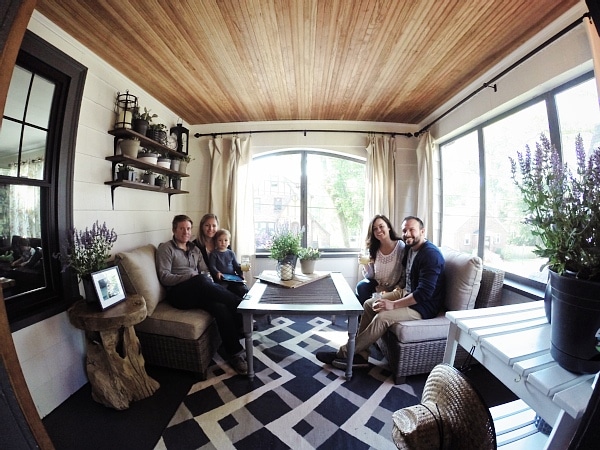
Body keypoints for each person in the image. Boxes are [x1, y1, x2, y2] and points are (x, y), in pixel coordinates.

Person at [317, 216, 445, 370]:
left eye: (412, 230)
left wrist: (393, 305)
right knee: (369, 304)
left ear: (422, 231)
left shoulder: (430, 255)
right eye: (404, 230)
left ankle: (344, 353)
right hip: (407, 293)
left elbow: (423, 294)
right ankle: (361, 355)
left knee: (382, 317)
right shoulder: (411, 249)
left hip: (424, 306)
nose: (407, 234)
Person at [156, 214, 248, 375]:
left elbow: (205, 270)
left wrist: (206, 280)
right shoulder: (166, 248)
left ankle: (235, 354)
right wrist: (191, 276)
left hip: (198, 290)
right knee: (200, 279)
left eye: (188, 228)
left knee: (219, 307)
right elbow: (164, 277)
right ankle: (240, 304)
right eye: (182, 228)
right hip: (178, 294)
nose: (186, 232)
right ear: (174, 230)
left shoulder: (194, 249)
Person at [355, 215, 405, 304]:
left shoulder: (401, 247)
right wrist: (365, 264)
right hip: (376, 286)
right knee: (361, 286)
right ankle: (365, 312)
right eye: (375, 229)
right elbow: (370, 276)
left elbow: (404, 274)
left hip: (394, 288)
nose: (378, 230)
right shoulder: (373, 248)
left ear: (388, 227)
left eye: (381, 226)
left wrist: (393, 289)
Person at [208, 229, 249, 298]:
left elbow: (236, 266)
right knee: (221, 292)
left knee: (244, 289)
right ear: (216, 242)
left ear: (229, 242)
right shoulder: (214, 254)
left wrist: (241, 273)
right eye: (220, 240)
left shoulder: (231, 253)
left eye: (226, 240)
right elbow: (212, 266)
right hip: (222, 279)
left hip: (233, 278)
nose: (223, 242)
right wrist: (217, 272)